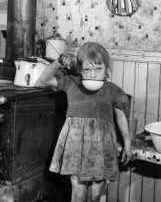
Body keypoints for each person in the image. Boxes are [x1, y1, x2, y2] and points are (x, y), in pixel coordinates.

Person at [36, 41, 132, 202]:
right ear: (80, 70)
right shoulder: (72, 82)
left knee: (95, 194)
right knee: (78, 192)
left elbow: (121, 117)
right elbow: (43, 81)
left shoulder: (112, 89)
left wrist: (127, 144)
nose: (93, 74)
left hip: (102, 146)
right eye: (87, 69)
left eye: (98, 69)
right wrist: (59, 61)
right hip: (76, 145)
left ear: (106, 69)